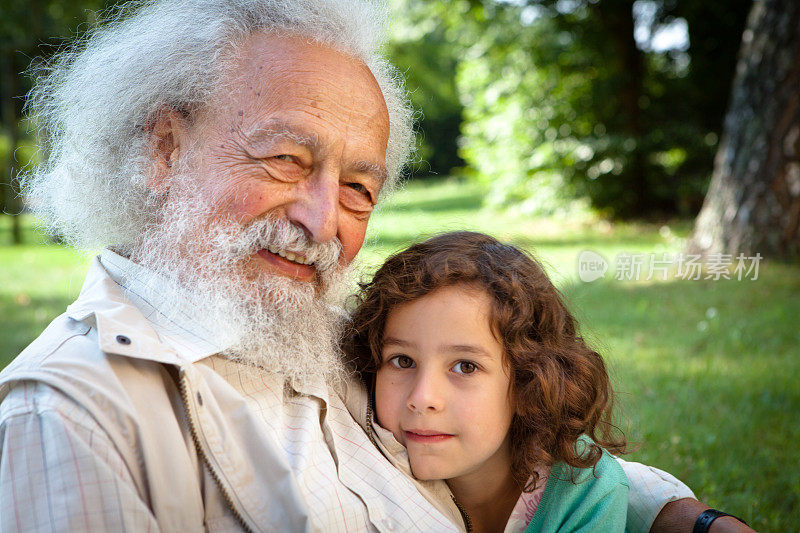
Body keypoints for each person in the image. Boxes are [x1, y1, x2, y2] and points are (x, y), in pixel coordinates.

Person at [0, 0, 752, 531]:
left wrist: (678, 515)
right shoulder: (71, 415)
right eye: (286, 159)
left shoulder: (340, 336)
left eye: (358, 188)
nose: (322, 220)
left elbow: (520, 450)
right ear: (165, 150)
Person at [345, 231, 630, 532]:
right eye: (403, 361)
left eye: (465, 367)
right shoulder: (363, 464)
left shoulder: (585, 491)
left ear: (529, 381)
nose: (423, 396)